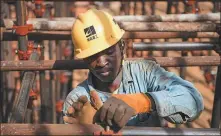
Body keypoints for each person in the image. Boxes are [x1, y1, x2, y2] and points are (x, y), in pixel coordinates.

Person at [62, 9, 204, 130]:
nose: (101, 62)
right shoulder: (78, 101)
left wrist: (145, 101)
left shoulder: (146, 73)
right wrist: (89, 130)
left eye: (109, 51)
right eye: (92, 56)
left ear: (122, 47)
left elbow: (194, 100)